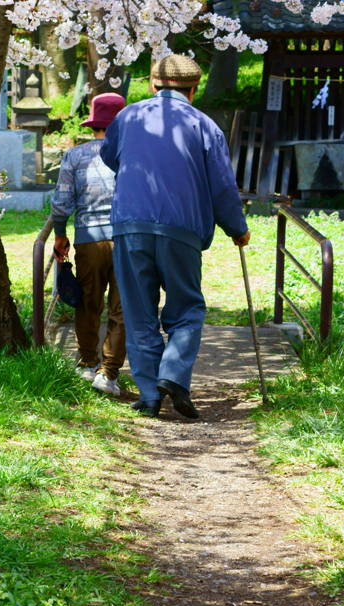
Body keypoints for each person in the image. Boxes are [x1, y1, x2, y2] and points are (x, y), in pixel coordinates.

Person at [100, 55, 250, 418]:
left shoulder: (128, 117)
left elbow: (110, 157)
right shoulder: (204, 125)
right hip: (181, 229)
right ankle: (174, 375)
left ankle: (150, 396)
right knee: (187, 307)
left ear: (153, 85)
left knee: (138, 312)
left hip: (131, 226)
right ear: (193, 90)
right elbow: (222, 187)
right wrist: (237, 228)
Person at [49, 92, 127, 397]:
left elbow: (61, 202)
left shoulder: (75, 155)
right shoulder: (131, 154)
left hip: (88, 240)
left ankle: (86, 362)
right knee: (121, 309)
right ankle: (109, 373)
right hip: (125, 239)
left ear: (93, 123)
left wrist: (59, 233)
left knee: (88, 302)